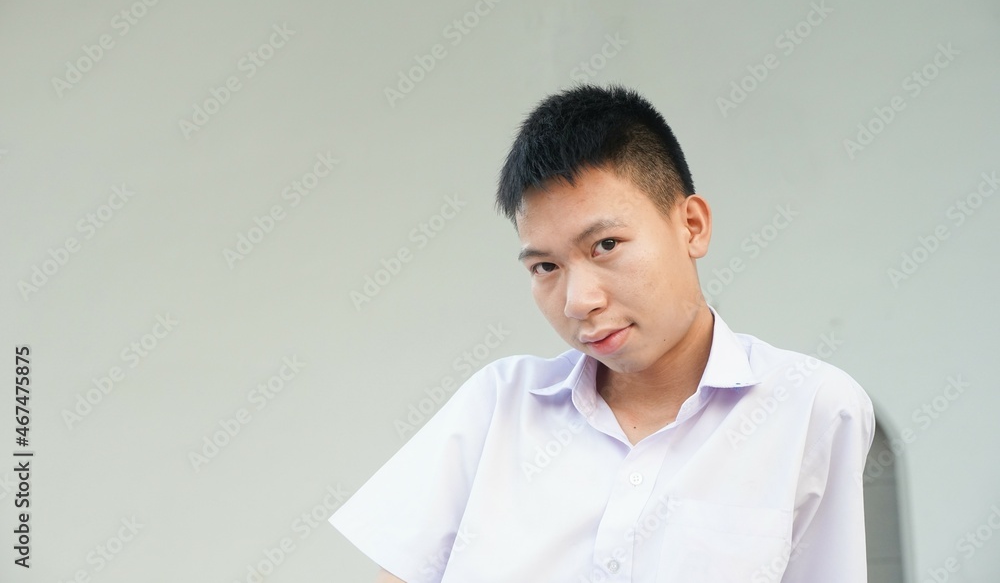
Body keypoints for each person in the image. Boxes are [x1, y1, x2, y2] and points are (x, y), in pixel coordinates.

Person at [330, 83, 876, 582]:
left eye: (606, 246)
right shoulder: (497, 407)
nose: (578, 301)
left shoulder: (810, 407)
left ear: (691, 225)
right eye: (545, 267)